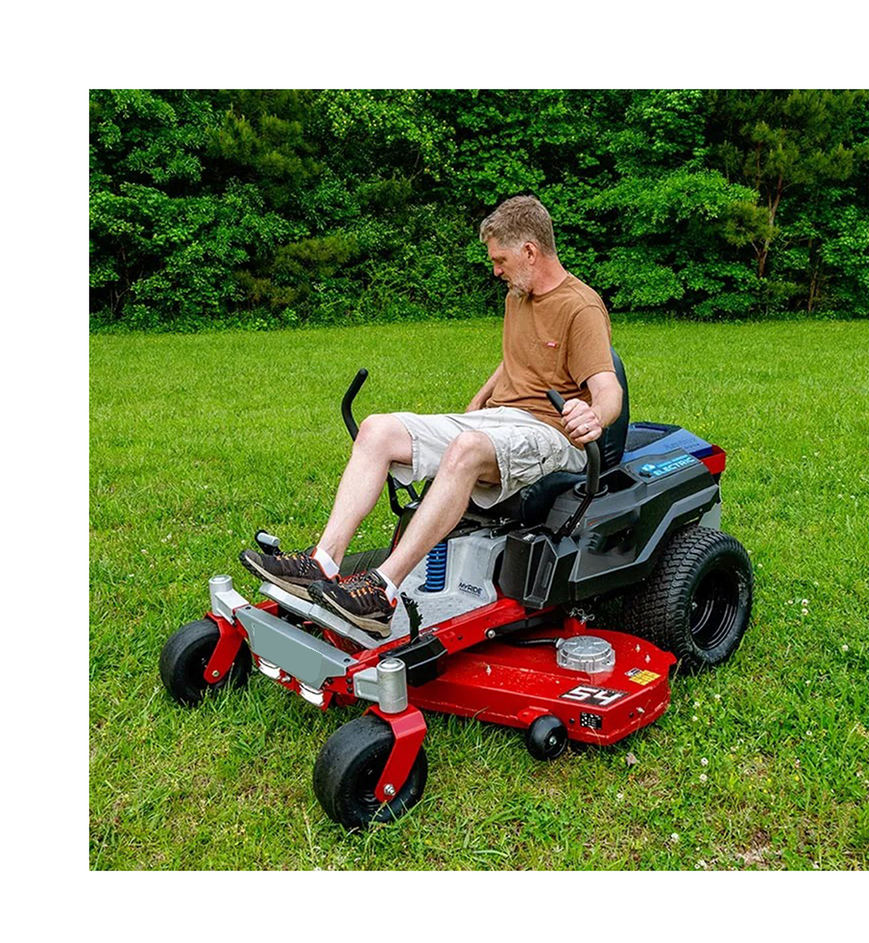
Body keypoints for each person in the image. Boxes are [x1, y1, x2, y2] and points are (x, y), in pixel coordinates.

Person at [239, 195, 622, 638]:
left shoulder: (581, 307)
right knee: (377, 429)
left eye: (500, 259)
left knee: (466, 448)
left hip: (552, 432)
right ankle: (322, 561)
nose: (495, 270)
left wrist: (593, 416)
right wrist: (481, 398)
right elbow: (521, 357)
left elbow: (607, 389)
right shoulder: (518, 296)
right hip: (499, 421)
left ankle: (382, 591)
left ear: (530, 251)